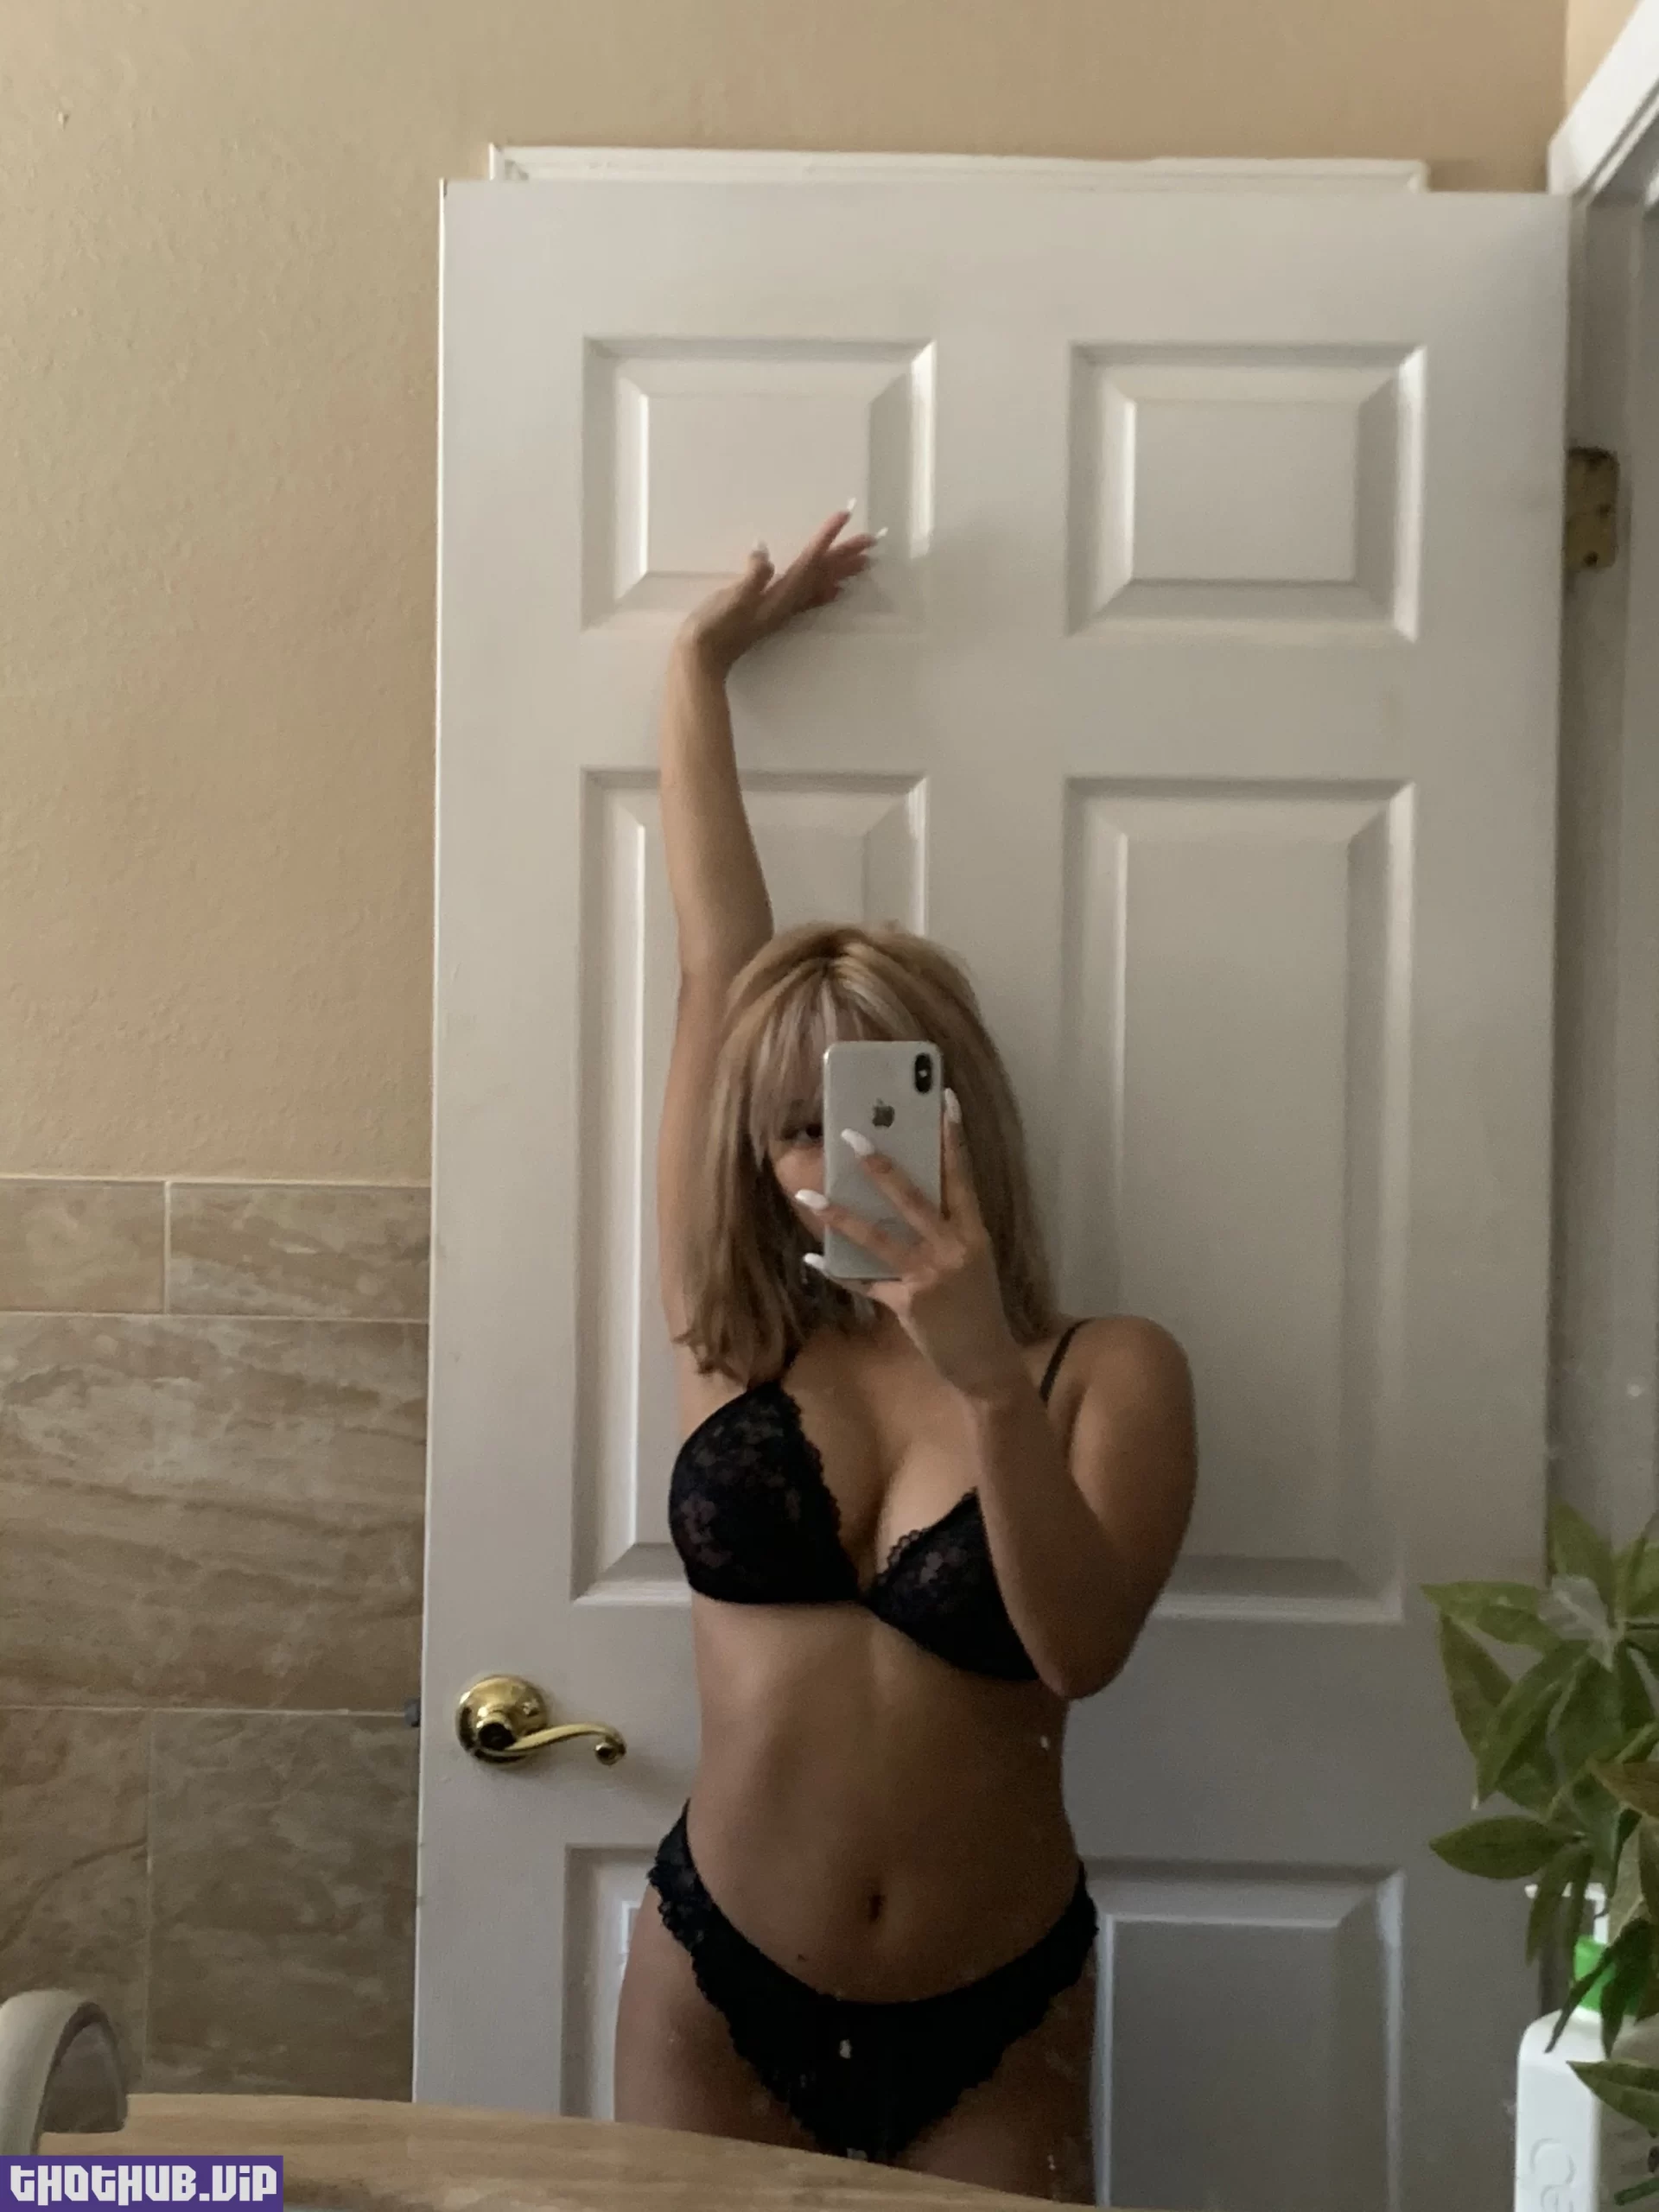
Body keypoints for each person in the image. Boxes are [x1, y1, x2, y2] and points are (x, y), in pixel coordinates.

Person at [613, 507, 1198, 2202]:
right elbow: (716, 960)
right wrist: (698, 662)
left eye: (870, 1112)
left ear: (959, 1109)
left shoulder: (1111, 1373)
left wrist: (984, 1370)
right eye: (792, 1126)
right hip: (715, 1981)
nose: (827, 1162)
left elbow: (1078, 1651)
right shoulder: (731, 1333)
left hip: (996, 2010)